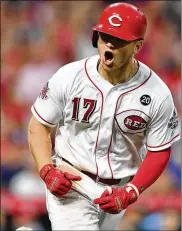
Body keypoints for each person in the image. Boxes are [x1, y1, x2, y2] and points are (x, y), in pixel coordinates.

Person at [28, 2, 180, 230]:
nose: (109, 43)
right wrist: (47, 168)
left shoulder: (157, 93)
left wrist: (132, 189)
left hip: (117, 190)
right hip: (73, 180)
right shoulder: (70, 77)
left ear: (137, 46)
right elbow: (38, 126)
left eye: (119, 39)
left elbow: (159, 151)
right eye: (104, 35)